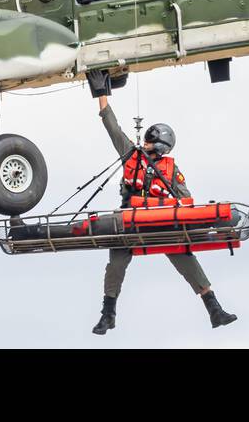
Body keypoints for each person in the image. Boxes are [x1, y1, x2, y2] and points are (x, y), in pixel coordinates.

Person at [91, 94, 237, 334]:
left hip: (160, 224)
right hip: (131, 223)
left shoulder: (171, 170)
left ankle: (215, 310)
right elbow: (113, 129)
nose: (144, 142)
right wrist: (102, 96)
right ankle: (108, 315)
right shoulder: (131, 155)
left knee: (186, 259)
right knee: (115, 265)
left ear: (158, 146)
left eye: (149, 140)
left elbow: (184, 198)